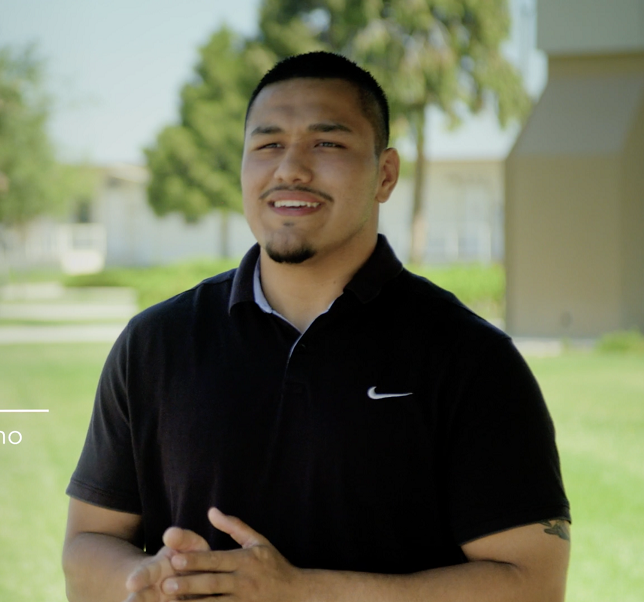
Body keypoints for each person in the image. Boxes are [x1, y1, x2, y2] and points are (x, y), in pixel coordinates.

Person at [61, 52, 571, 602]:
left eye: (326, 143)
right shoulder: (154, 344)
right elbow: (89, 542)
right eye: (268, 144)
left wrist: (302, 592)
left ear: (386, 174)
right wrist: (138, 582)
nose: (290, 169)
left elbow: (532, 584)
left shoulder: (472, 358)